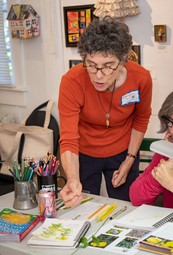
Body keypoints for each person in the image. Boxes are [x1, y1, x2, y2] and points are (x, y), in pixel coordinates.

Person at [58, 17, 152, 207]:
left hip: (124, 151)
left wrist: (130, 159)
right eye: (91, 65)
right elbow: (68, 137)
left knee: (126, 206)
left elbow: (141, 119)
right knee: (83, 206)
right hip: (84, 153)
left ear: (123, 60)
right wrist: (72, 178)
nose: (99, 75)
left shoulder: (141, 79)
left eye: (108, 66)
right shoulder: (72, 81)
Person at [130, 92, 173, 208]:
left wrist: (170, 183)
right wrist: (157, 176)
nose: (172, 131)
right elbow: (136, 197)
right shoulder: (168, 149)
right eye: (170, 123)